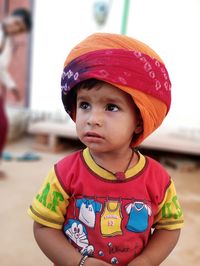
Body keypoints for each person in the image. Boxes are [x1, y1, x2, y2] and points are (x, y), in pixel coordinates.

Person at [28, 33, 184, 266]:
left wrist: (148, 261)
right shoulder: (64, 173)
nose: (93, 119)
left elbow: (169, 228)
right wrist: (78, 262)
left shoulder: (158, 179)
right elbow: (43, 227)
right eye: (85, 105)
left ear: (139, 121)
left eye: (111, 107)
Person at [0, 8, 32, 170]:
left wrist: (13, 87)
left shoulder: (8, 43)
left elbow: (2, 69)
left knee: (3, 126)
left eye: (20, 29)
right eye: (17, 24)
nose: (16, 29)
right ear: (11, 16)